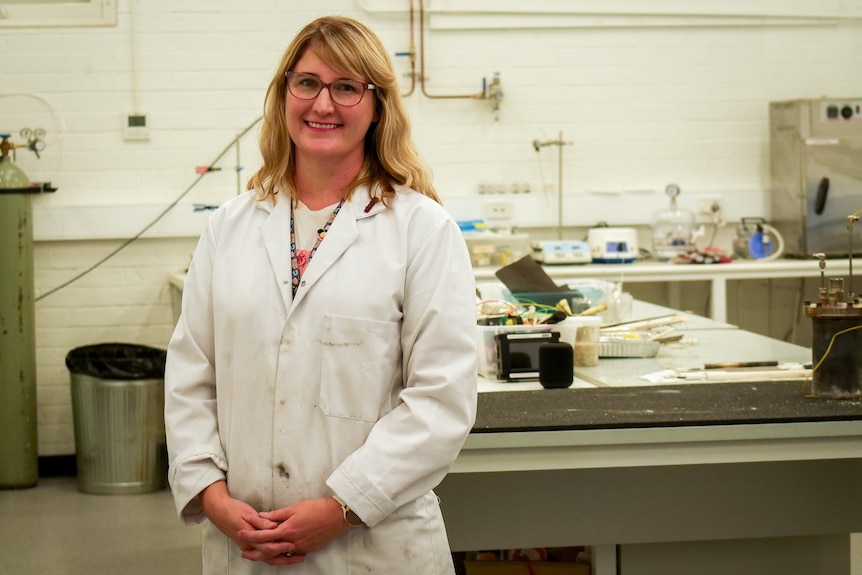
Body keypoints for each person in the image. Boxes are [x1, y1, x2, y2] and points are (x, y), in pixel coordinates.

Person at [164, 14, 478, 575]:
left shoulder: (421, 230)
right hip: (246, 542)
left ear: (378, 104)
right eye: (306, 82)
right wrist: (211, 495)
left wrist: (344, 506)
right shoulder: (230, 226)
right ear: (284, 92)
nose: (322, 104)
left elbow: (440, 400)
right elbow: (192, 376)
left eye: (346, 87)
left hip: (372, 547)